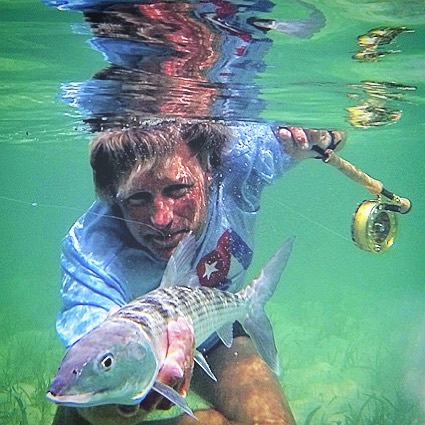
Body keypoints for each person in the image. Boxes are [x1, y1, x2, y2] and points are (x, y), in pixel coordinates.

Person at [52, 119, 345, 425]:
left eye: (178, 189)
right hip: (134, 357)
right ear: (113, 195)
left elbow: (337, 136)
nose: (162, 218)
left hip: (214, 330)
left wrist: (324, 137)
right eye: (137, 198)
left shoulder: (240, 164)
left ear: (210, 170)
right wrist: (134, 400)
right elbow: (95, 378)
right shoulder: (89, 252)